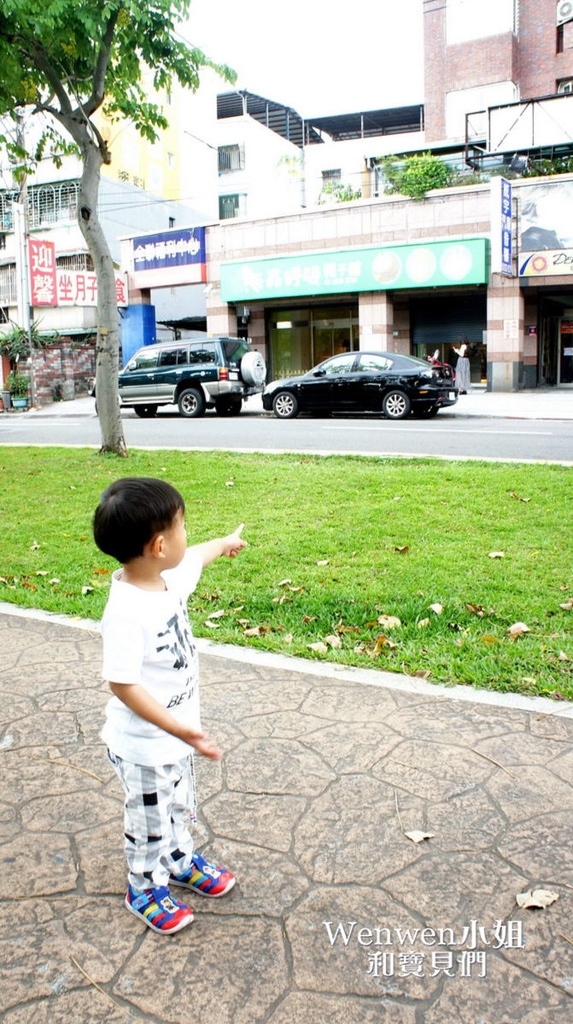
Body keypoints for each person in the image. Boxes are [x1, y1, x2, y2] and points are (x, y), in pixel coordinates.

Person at [93, 477, 247, 935]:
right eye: (182, 526)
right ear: (159, 545)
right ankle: (143, 885)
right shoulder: (124, 612)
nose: (187, 535)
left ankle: (179, 861)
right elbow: (123, 685)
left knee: (180, 804)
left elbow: (196, 555)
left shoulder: (166, 579)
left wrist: (223, 543)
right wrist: (176, 729)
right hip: (143, 745)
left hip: (176, 735)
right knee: (149, 820)